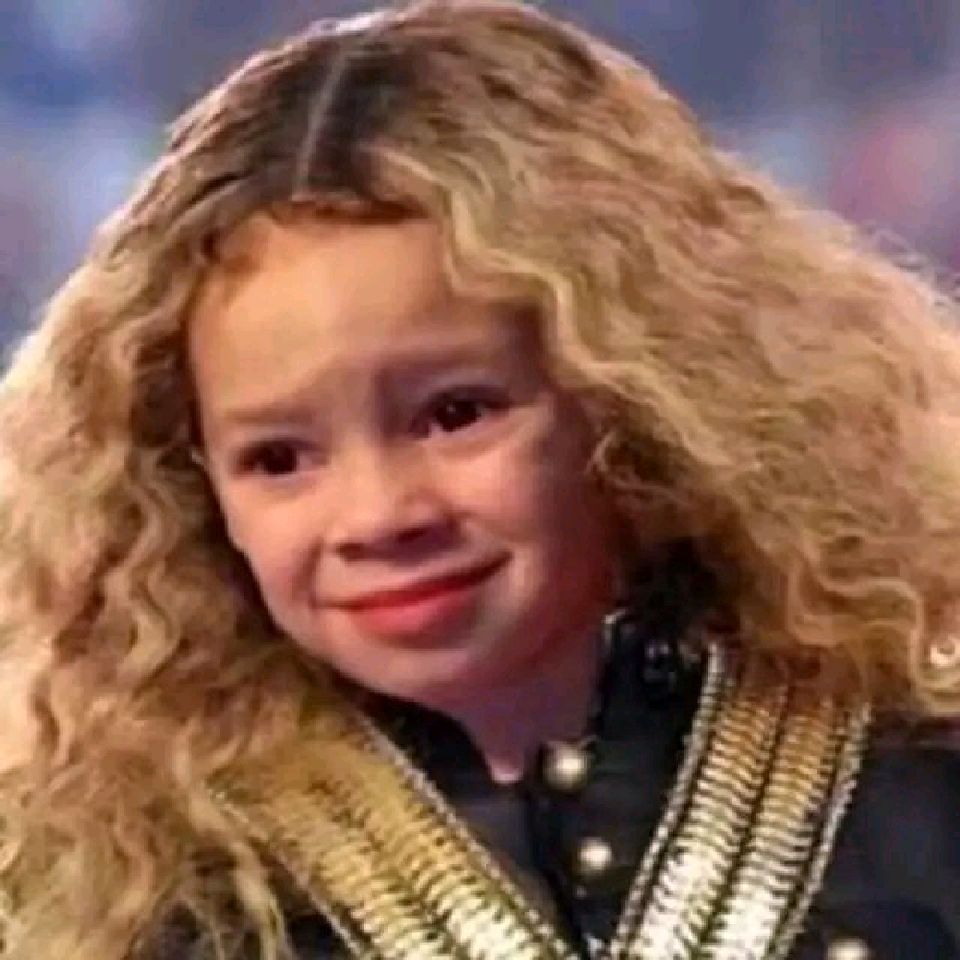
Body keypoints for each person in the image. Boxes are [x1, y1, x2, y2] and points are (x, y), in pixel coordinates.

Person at [0, 2, 958, 957]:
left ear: (643, 394)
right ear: (192, 487)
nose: (379, 515)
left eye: (456, 414)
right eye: (279, 460)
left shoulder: (921, 779)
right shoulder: (134, 899)